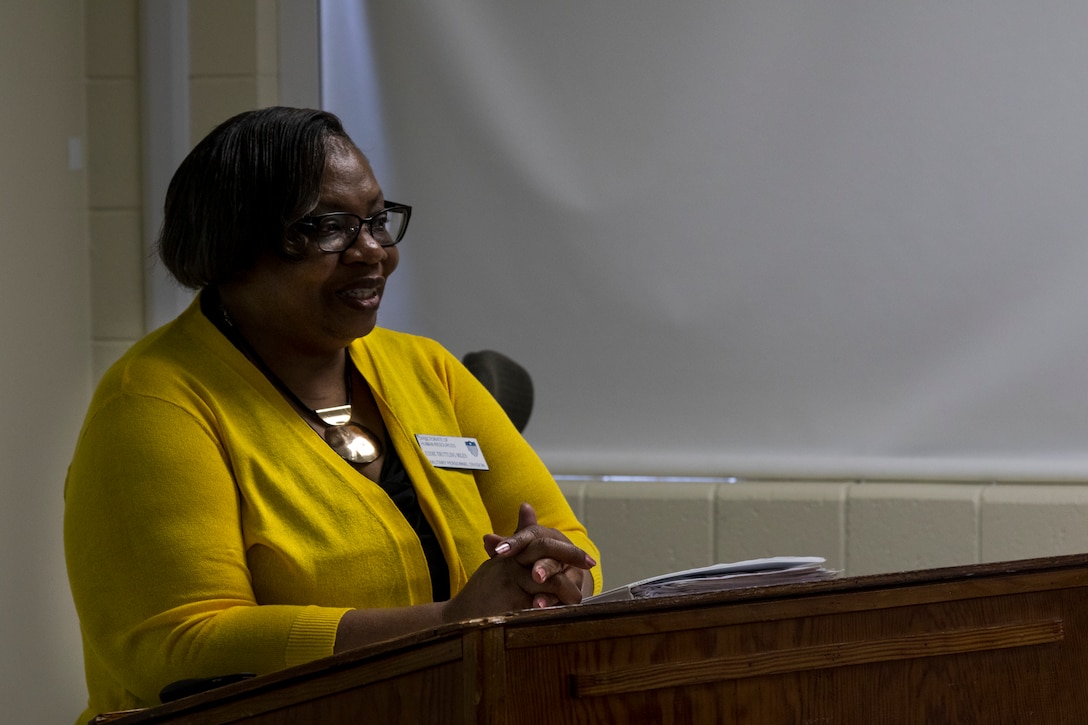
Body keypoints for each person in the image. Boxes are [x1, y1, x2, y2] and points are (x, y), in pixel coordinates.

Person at [63, 106, 600, 721]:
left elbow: (568, 539)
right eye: (328, 228)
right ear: (236, 246)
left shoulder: (428, 371)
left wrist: (555, 578)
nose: (372, 252)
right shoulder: (155, 403)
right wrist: (448, 626)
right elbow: (177, 646)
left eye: (376, 220)